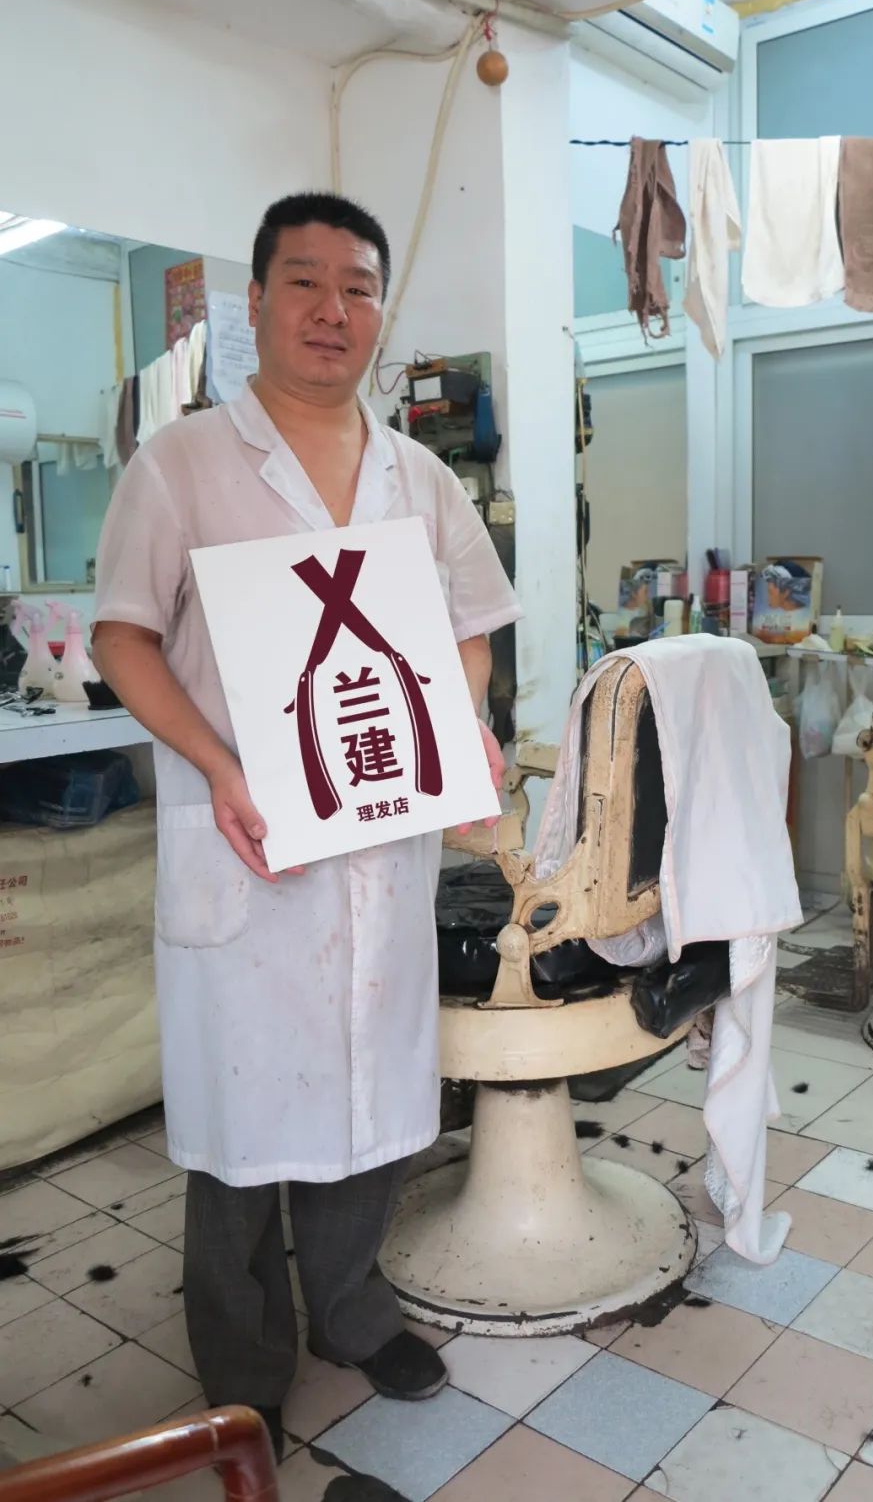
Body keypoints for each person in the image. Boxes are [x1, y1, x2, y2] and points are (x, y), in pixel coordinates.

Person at [92, 192, 522, 1458]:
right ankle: (243, 1370)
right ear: (259, 302)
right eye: (305, 282)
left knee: (365, 1105)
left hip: (375, 843)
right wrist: (220, 765)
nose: (334, 310)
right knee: (239, 1132)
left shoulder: (420, 477)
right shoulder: (180, 465)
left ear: (381, 310)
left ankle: (350, 1312)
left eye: (359, 287)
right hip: (248, 846)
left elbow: (470, 633)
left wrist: (457, 721)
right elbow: (122, 637)